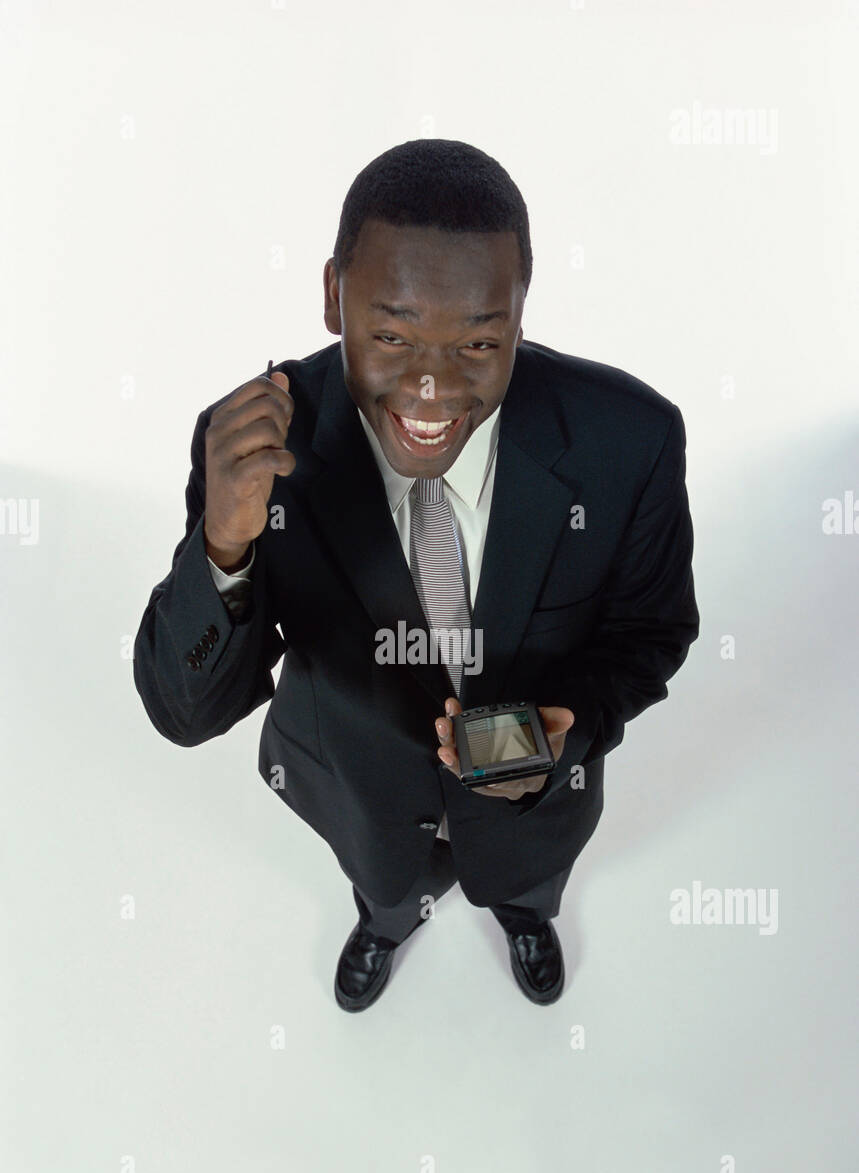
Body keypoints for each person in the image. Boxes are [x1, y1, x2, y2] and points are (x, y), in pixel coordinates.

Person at [133, 138, 699, 1013]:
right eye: (391, 334)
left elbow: (649, 635)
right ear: (333, 297)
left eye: (478, 341)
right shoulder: (254, 447)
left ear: (518, 312)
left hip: (534, 810)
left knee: (524, 885)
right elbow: (185, 711)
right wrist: (225, 546)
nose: (431, 390)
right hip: (352, 793)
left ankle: (522, 918)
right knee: (388, 891)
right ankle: (385, 925)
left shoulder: (630, 441)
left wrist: (571, 727)